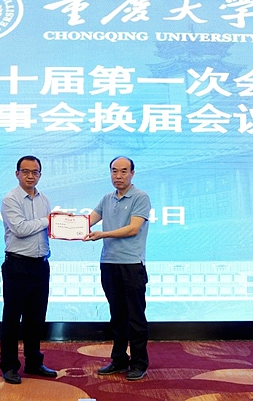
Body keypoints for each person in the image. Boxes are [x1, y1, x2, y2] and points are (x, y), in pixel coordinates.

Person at [84, 156, 151, 381]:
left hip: (131, 265)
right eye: (114, 171)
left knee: (135, 317)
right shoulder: (107, 198)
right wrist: (62, 225)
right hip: (109, 264)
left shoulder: (140, 197)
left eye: (123, 171)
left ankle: (139, 363)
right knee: (117, 316)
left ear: (132, 173)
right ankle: (119, 359)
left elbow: (133, 229)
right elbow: (87, 221)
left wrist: (103, 234)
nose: (118, 176)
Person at [0, 155, 57, 384]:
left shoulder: (45, 199)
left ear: (40, 175)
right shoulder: (10, 199)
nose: (31, 176)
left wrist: (64, 225)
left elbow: (48, 230)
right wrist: (48, 221)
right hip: (18, 265)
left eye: (35, 172)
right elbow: (21, 229)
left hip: (40, 265)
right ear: (17, 174)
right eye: (26, 171)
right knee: (12, 318)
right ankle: (9, 366)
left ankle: (34, 362)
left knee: (36, 318)